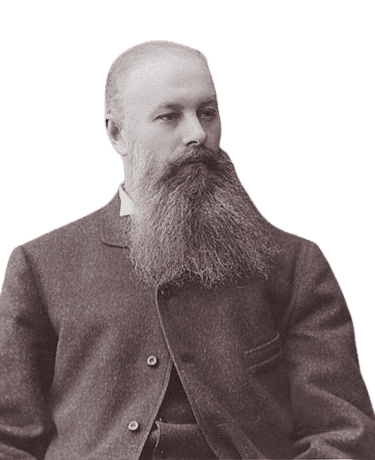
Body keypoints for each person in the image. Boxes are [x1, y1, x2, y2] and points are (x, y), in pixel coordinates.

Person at [0, 40, 374, 460]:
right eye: (169, 117)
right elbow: (9, 438)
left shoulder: (294, 263)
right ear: (116, 133)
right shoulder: (41, 266)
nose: (197, 134)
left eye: (207, 113)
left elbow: (342, 433)